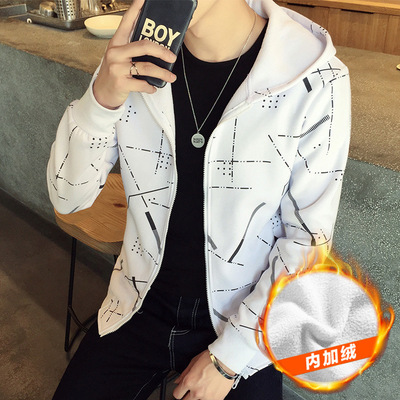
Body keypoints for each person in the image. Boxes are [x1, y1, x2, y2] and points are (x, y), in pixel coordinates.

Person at [47, 0, 351, 398]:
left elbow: (307, 243)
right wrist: (100, 101)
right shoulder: (136, 54)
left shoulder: (313, 76)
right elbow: (67, 197)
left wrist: (229, 359)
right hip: (137, 304)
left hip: (243, 321)